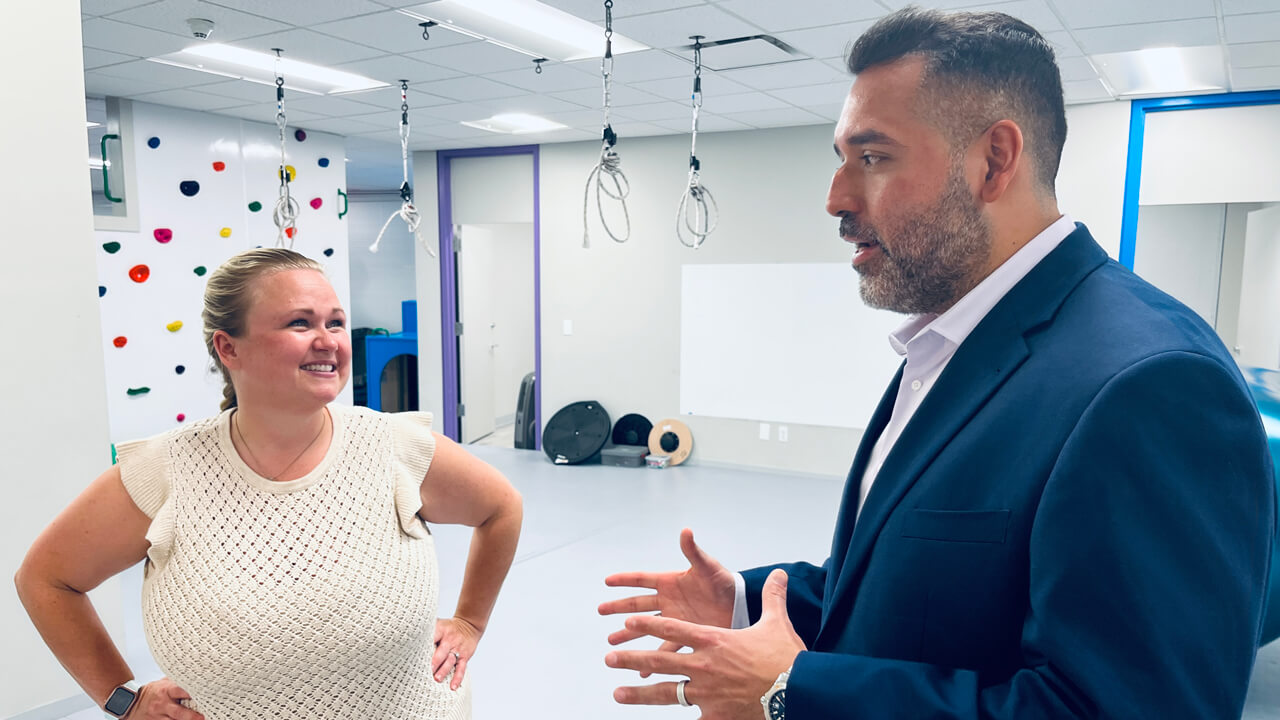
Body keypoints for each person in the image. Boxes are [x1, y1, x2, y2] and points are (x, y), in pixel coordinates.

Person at [599, 7, 1275, 719]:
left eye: (874, 157)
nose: (836, 199)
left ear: (993, 160)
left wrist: (792, 693)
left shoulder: (1151, 384)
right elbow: (914, 591)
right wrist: (743, 603)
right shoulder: (952, 344)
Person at [16, 248, 522, 720]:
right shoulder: (167, 469)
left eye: (336, 323)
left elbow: (502, 507)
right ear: (228, 348)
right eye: (300, 323)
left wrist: (469, 622)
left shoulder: (393, 445)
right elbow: (46, 580)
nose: (328, 340)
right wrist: (122, 697)